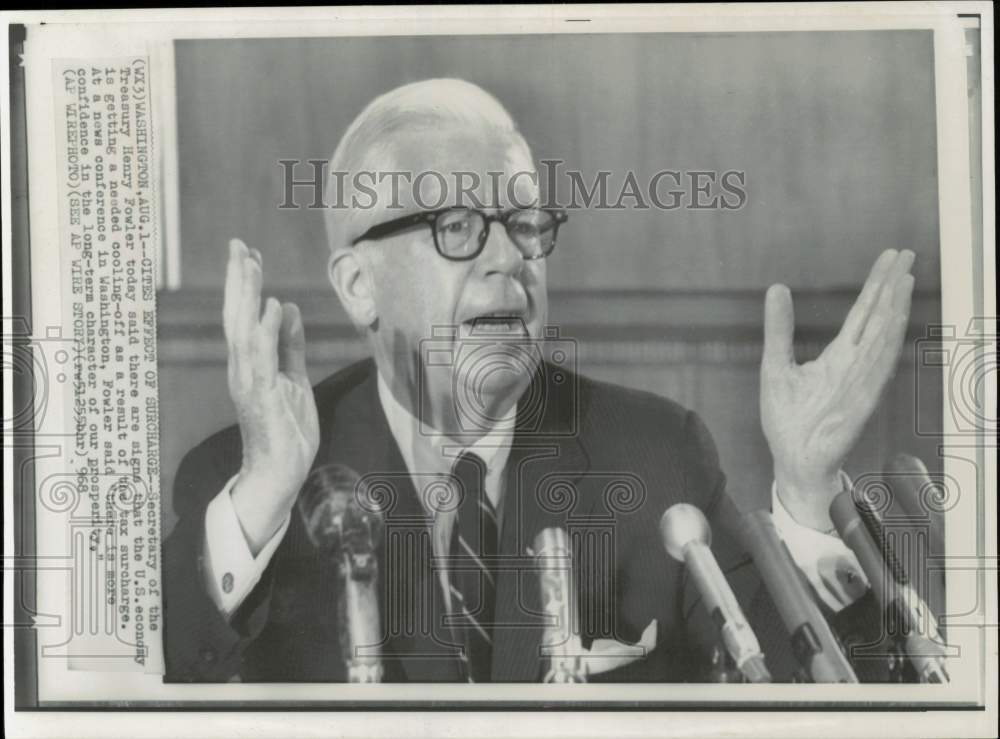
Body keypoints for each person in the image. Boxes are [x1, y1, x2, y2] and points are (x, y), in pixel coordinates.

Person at [163, 78, 917, 683]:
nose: (508, 261)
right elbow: (148, 689)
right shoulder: (242, 487)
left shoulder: (656, 454)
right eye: (456, 227)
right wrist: (265, 498)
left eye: (524, 223)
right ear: (359, 284)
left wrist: (810, 497)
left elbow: (808, 691)